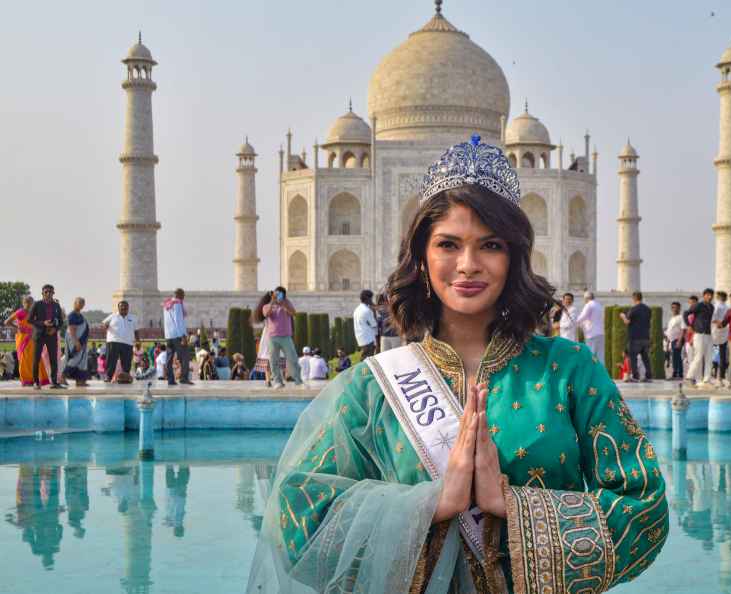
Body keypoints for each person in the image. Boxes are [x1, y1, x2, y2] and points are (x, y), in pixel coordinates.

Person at [247, 137, 668, 593]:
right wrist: (431, 504)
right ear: (422, 259)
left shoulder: (567, 372)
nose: (468, 265)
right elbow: (295, 520)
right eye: (448, 244)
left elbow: (645, 512)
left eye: (490, 245)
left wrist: (513, 505)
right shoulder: (371, 389)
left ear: (514, 257)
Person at [4, 295, 49, 387]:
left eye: (31, 302)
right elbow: (7, 322)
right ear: (23, 303)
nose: (29, 304)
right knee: (24, 359)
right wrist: (18, 327)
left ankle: (38, 378)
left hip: (33, 338)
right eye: (27, 302)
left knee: (36, 358)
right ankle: (26, 380)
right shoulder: (20, 312)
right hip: (23, 339)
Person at [262, 286, 302, 389]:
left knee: (292, 358)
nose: (278, 296)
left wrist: (284, 304)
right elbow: (266, 314)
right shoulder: (266, 306)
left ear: (284, 295)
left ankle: (298, 380)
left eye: (280, 294)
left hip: (286, 336)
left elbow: (294, 313)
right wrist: (273, 302)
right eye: (276, 293)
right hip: (272, 337)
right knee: (273, 360)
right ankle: (277, 381)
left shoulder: (287, 304)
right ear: (273, 295)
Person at [27, 285, 65, 390]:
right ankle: (36, 382)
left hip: (51, 335)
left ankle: (54, 382)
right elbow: (30, 320)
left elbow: (61, 322)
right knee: (36, 359)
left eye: (50, 292)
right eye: (46, 292)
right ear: (42, 293)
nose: (48, 294)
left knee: (54, 359)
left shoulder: (56, 306)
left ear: (53, 293)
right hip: (39, 335)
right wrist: (43, 323)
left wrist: (55, 329)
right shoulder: (37, 304)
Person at [102, 301, 139, 383]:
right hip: (113, 341)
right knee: (111, 360)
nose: (123, 308)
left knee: (127, 361)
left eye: (125, 306)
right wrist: (105, 326)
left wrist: (138, 341)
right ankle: (108, 376)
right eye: (121, 306)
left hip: (128, 342)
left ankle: (125, 377)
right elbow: (104, 324)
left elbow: (136, 331)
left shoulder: (133, 318)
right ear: (118, 308)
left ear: (128, 308)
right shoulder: (113, 316)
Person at [619, 291, 652, 382]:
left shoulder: (634, 309)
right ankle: (648, 376)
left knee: (632, 357)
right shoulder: (648, 309)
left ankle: (635, 376)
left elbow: (627, 321)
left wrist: (622, 316)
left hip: (635, 337)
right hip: (645, 337)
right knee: (646, 358)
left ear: (634, 298)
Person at [685, 289, 715, 388]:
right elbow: (686, 313)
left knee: (709, 357)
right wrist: (689, 325)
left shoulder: (711, 307)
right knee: (698, 356)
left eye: (711, 295)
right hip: (699, 334)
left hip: (708, 334)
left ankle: (707, 379)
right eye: (708, 295)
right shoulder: (699, 305)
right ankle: (689, 378)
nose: (710, 297)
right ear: (704, 296)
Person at [163, 289, 192, 386]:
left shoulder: (167, 304)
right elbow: (178, 321)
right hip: (177, 335)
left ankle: (170, 380)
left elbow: (167, 322)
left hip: (169, 336)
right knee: (185, 357)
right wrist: (183, 336)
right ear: (179, 295)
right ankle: (184, 378)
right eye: (183, 295)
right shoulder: (177, 304)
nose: (184, 297)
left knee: (169, 359)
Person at [64, 297, 90, 386]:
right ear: (75, 303)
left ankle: (80, 380)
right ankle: (62, 376)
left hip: (82, 342)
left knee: (82, 361)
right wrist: (76, 342)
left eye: (83, 303)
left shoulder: (80, 316)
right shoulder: (72, 315)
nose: (81, 305)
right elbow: (72, 330)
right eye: (79, 303)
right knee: (75, 359)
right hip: (76, 341)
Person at [576, 290, 605, 362]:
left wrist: (573, 321)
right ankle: (601, 372)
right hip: (600, 333)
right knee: (600, 357)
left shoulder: (589, 305)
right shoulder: (599, 305)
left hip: (591, 334)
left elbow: (582, 317)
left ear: (586, 298)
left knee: (590, 355)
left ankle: (591, 373)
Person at [711, 291, 730, 386]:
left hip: (717, 332)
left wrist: (720, 323)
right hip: (722, 331)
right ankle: (720, 378)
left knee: (711, 355)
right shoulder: (727, 307)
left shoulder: (717, 306)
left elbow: (713, 318)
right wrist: (721, 323)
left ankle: (713, 377)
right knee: (722, 356)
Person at [353, 289, 378, 359]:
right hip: (368, 338)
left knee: (364, 357)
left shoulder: (357, 309)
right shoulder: (367, 310)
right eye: (371, 298)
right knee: (368, 359)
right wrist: (374, 311)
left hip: (360, 338)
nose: (372, 300)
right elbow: (374, 324)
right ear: (368, 299)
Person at [665, 301, 686, 379]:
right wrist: (667, 343)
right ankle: (679, 374)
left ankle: (676, 374)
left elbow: (683, 329)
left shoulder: (681, 317)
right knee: (676, 357)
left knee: (675, 357)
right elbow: (669, 331)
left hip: (678, 339)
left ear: (679, 308)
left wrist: (679, 341)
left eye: (676, 307)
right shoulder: (671, 318)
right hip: (672, 340)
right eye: (673, 307)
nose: (674, 309)